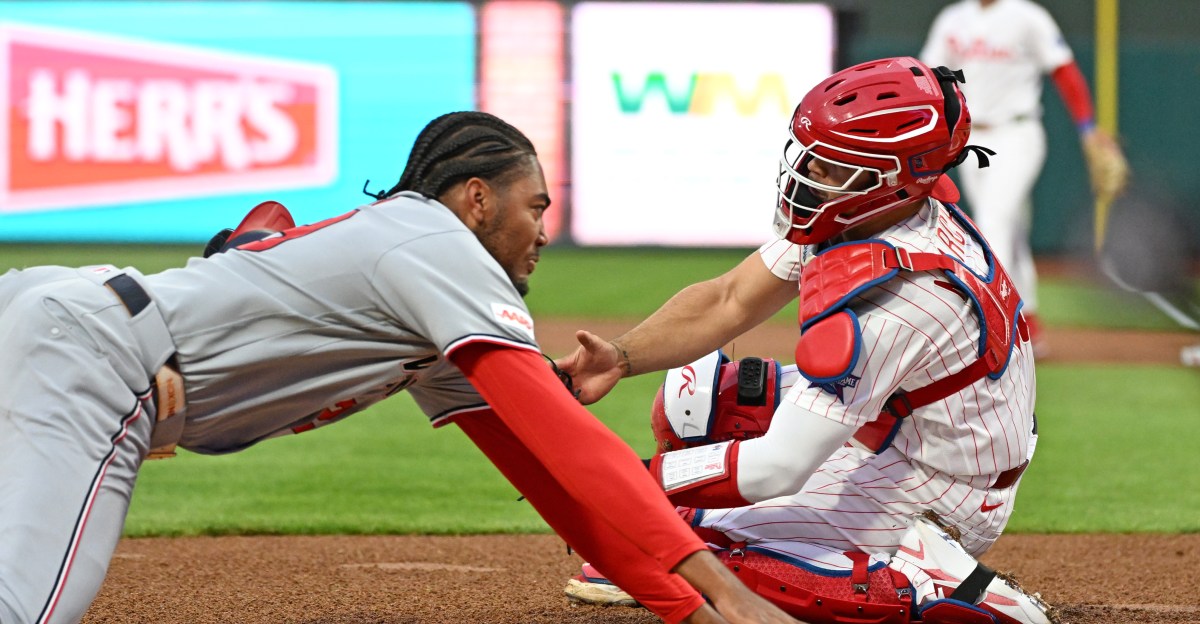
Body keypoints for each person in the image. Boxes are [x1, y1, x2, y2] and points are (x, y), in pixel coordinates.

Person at [0, 111, 797, 624]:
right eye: (535, 206)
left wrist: (687, 610)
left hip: (65, 322)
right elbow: (572, 441)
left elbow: (553, 480)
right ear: (477, 199)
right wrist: (728, 594)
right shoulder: (438, 247)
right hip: (96, 362)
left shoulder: (424, 301)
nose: (543, 231)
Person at [557, 58, 1056, 624]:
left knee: (678, 547)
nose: (809, 170)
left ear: (889, 177)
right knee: (699, 396)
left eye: (832, 164)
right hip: (904, 434)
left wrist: (622, 484)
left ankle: (927, 576)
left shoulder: (905, 297)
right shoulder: (876, 215)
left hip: (940, 491)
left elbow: (777, 467)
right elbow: (728, 299)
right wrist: (620, 358)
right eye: (811, 154)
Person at [920, 0, 1129, 353]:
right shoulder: (953, 18)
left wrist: (1087, 128)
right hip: (971, 138)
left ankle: (993, 325)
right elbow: (930, 77)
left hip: (1017, 134)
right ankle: (1028, 322)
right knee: (1012, 230)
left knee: (993, 221)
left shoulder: (1027, 16)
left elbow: (1064, 71)